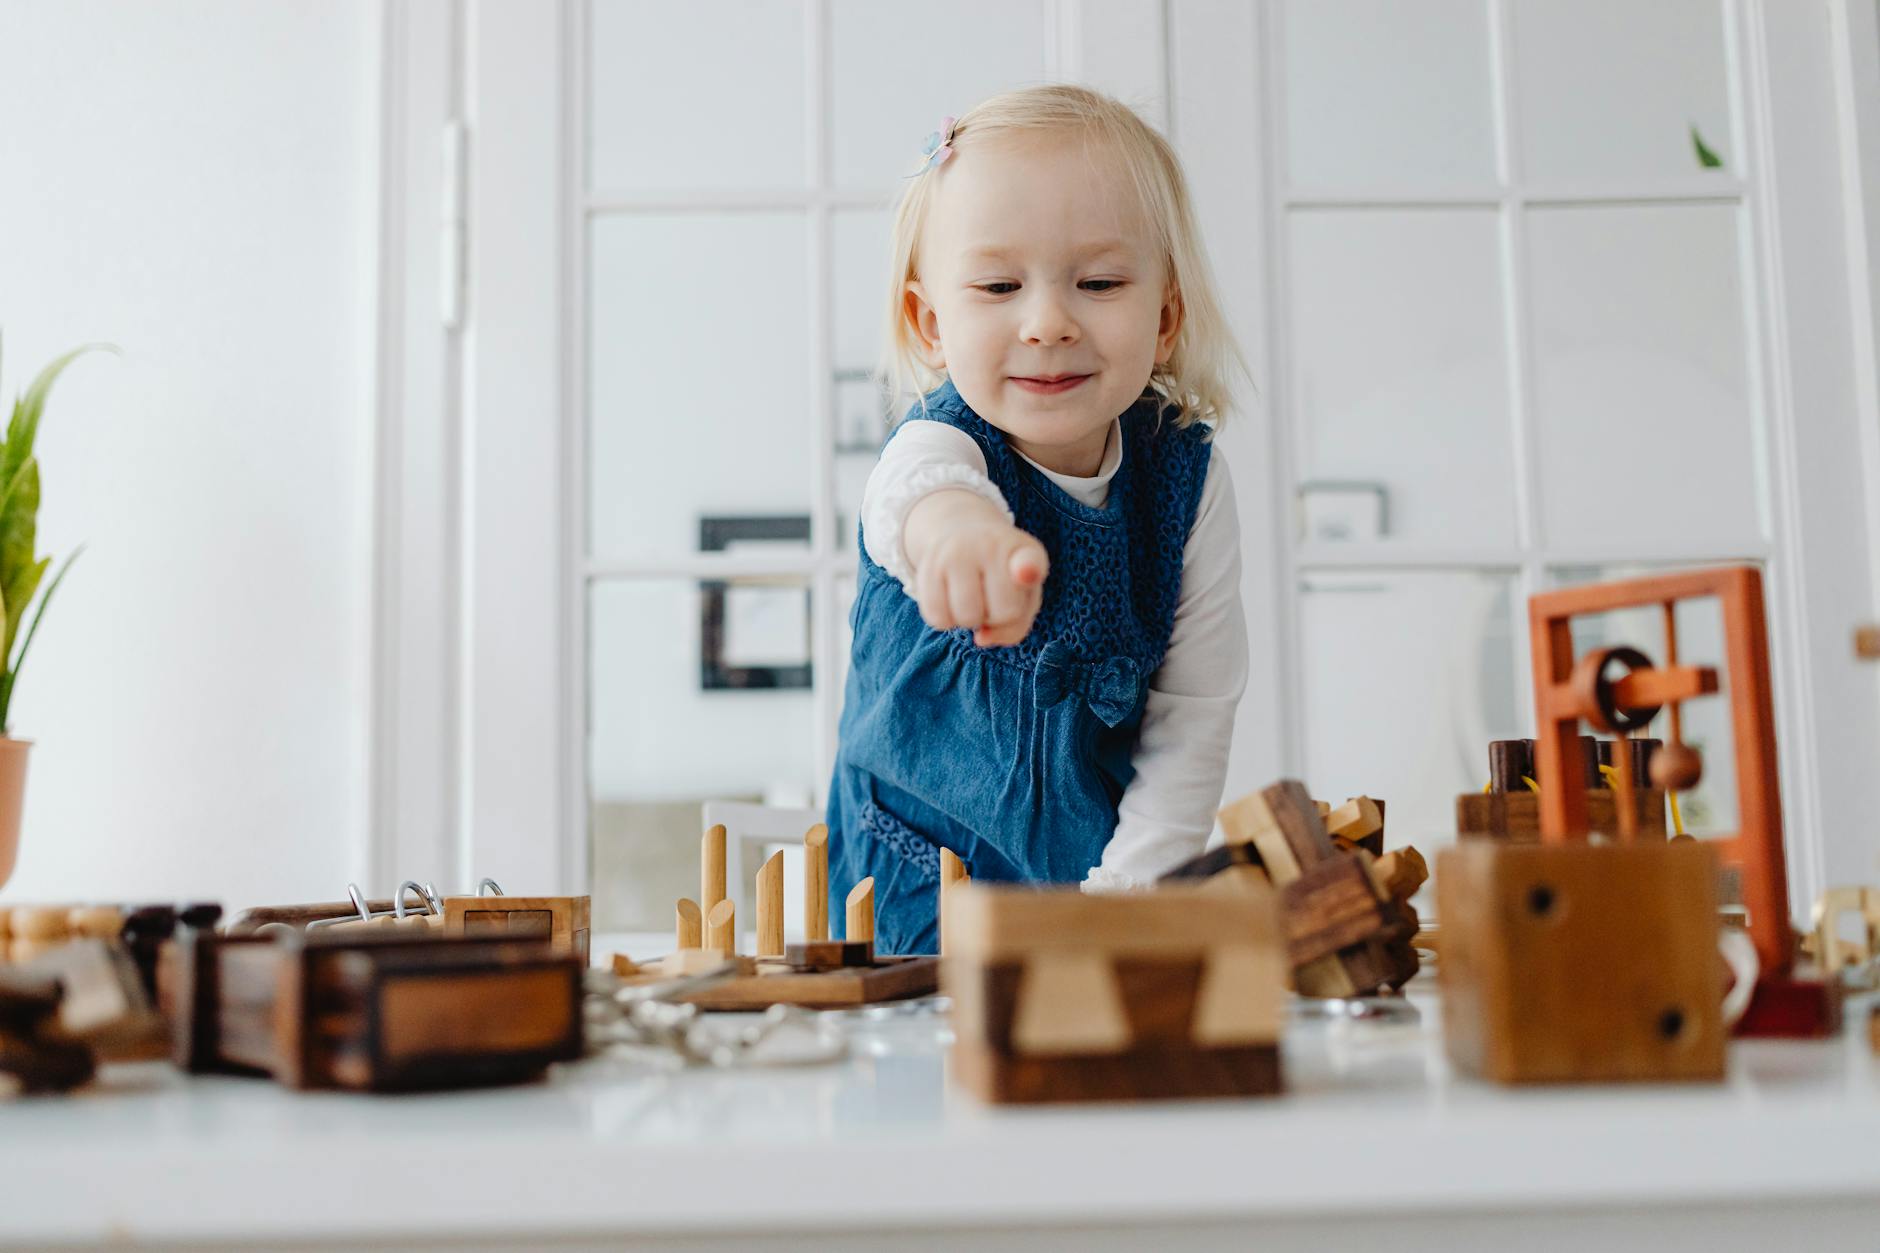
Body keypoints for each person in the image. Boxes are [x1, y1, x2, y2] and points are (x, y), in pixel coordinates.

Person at [827, 84, 1250, 954]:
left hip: (1090, 881)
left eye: (1098, 282)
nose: (1049, 321)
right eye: (997, 284)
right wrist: (958, 536)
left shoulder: (1188, 483)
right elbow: (916, 504)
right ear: (931, 321)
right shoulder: (936, 451)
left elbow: (1191, 721)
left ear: (1164, 317)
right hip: (911, 891)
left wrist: (1127, 900)